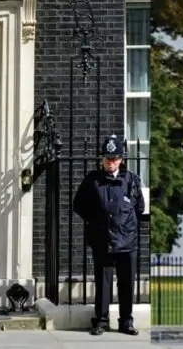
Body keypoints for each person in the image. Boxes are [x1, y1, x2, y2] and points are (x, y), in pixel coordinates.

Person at [72, 135, 145, 336]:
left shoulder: (132, 180)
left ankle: (126, 322)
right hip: (102, 239)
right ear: (102, 160)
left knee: (126, 284)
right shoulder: (92, 180)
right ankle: (101, 321)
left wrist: (125, 225)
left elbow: (139, 208)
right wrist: (96, 220)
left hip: (126, 240)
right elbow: (79, 205)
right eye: (107, 158)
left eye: (114, 158)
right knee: (103, 283)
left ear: (121, 159)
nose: (110, 162)